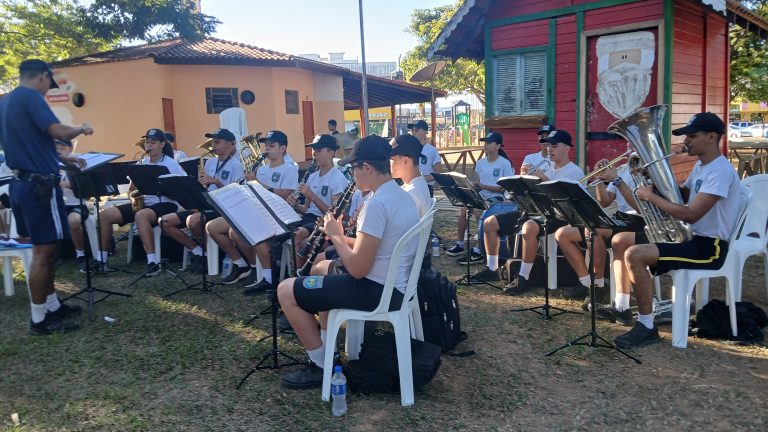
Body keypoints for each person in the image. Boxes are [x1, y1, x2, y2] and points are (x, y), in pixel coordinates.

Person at [277, 135, 420, 389]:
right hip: (394, 286)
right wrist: (341, 236)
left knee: (285, 290)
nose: (352, 174)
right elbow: (377, 245)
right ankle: (327, 347)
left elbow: (357, 269)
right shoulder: (401, 196)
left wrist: (335, 236)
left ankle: (320, 365)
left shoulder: (377, 204)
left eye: (354, 168)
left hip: (375, 291)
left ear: (367, 167)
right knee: (322, 273)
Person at [614, 112, 740, 348]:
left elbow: (691, 213)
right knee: (625, 242)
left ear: (712, 137)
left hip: (709, 248)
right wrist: (655, 179)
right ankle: (627, 309)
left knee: (635, 254)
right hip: (692, 238)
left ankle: (646, 326)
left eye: (692, 136)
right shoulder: (702, 166)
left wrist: (651, 197)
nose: (686, 141)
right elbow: (683, 195)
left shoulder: (720, 171)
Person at [0, 59, 93, 335]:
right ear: (42, 76)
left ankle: (53, 306)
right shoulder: (31, 97)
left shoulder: (6, 102)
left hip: (21, 184)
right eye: (48, 85)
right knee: (44, 252)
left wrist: (64, 160)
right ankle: (39, 319)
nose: (47, 91)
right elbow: (58, 132)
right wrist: (81, 128)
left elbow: (29, 143)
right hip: (40, 188)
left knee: (46, 249)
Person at [483, 130, 584, 294]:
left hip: (560, 216)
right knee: (490, 223)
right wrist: (523, 181)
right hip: (536, 211)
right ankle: (492, 268)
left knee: (529, 227)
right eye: (548, 145)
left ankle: (524, 277)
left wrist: (543, 178)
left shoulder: (575, 172)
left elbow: (566, 202)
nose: (549, 149)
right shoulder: (545, 167)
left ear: (567, 148)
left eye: (554, 146)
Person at [554, 141, 639, 303]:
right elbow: (605, 202)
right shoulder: (622, 169)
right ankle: (587, 283)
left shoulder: (646, 171)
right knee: (562, 234)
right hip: (620, 219)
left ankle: (598, 286)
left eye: (632, 141)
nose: (629, 144)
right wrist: (599, 178)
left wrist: (617, 180)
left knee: (593, 230)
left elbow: (639, 207)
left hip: (638, 222)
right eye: (627, 141)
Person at [96, 128, 186, 276]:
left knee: (141, 216)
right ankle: (101, 260)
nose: (148, 146)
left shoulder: (171, 164)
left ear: (162, 144)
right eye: (147, 142)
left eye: (153, 142)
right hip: (145, 203)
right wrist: (133, 194)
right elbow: (131, 190)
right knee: (104, 216)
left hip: (166, 204)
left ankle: (153, 262)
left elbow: (181, 191)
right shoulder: (142, 163)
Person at [160, 128, 243, 274]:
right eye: (213, 142)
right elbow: (203, 187)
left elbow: (234, 193)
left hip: (222, 208)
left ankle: (212, 255)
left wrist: (215, 181)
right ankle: (200, 252)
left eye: (217, 142)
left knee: (193, 221)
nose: (213, 146)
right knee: (165, 221)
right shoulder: (210, 162)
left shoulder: (236, 165)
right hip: (205, 204)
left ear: (231, 144)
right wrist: (197, 185)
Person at [233, 130, 299, 293]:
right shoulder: (261, 170)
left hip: (280, 215)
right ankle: (255, 269)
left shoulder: (290, 169)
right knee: (234, 231)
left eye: (272, 146)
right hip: (261, 211)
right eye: (266, 146)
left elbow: (285, 194)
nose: (267, 149)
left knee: (257, 233)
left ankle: (269, 278)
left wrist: (257, 183)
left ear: (282, 148)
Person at [445, 132, 514, 264]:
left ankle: (480, 247)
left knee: (478, 211)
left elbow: (505, 187)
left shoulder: (505, 163)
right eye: (485, 142)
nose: (485, 145)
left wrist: (483, 186)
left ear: (498, 146)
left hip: (497, 198)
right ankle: (460, 243)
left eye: (489, 142)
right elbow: (474, 181)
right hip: (480, 195)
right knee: (463, 210)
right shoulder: (480, 163)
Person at [288, 134, 348, 269]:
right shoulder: (312, 177)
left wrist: (312, 196)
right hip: (309, 219)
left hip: (324, 221)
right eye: (313, 150)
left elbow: (335, 214)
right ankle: (297, 273)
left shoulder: (338, 178)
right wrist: (295, 204)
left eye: (319, 150)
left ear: (331, 153)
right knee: (295, 235)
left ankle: (300, 274)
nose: (314, 153)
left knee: (300, 238)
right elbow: (306, 209)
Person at [55, 139, 91, 272]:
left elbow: (87, 189)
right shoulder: (51, 164)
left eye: (62, 148)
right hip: (58, 205)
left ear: (70, 149)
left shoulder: (78, 163)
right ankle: (54, 254)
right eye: (56, 148)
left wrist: (69, 184)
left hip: (78, 204)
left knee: (73, 221)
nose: (59, 151)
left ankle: (80, 254)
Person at [389, 134, 432, 217]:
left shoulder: (411, 194)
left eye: (391, 159)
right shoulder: (417, 183)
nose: (388, 163)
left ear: (405, 161)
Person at [408, 120, 441, 196]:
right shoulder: (408, 149)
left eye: (416, 130)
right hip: (410, 187)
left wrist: (425, 179)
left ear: (425, 131)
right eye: (412, 130)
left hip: (426, 187)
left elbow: (438, 171)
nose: (413, 133)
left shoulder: (432, 150)